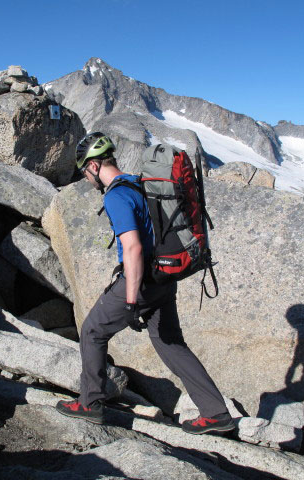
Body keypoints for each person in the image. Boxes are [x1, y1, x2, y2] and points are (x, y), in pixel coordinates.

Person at [55, 132, 234, 435]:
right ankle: (216, 413)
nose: (86, 178)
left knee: (93, 331)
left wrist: (130, 298)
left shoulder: (116, 195)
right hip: (165, 276)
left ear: (95, 166)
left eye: (85, 170)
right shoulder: (140, 183)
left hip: (142, 281)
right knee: (169, 341)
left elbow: (134, 248)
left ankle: (90, 402)